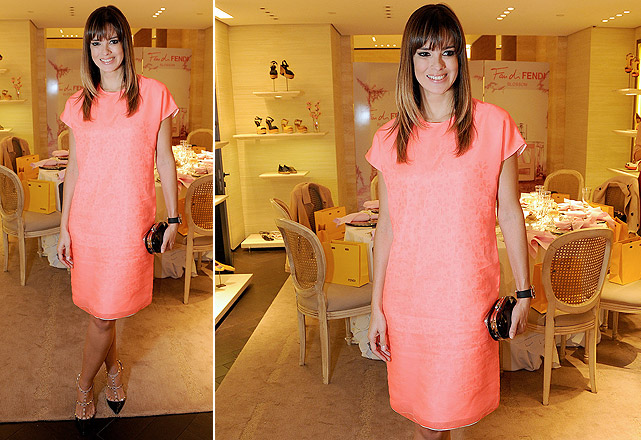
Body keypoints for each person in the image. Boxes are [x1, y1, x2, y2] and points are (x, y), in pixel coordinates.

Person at [365, 4, 532, 439]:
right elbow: (388, 227)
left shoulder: (493, 124)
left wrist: (524, 291)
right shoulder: (388, 138)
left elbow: (510, 212)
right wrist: (376, 306)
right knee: (424, 415)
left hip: (465, 300)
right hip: (408, 301)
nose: (437, 65)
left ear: (461, 57)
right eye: (424, 53)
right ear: (409, 60)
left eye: (448, 52)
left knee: (457, 408)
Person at [56, 5, 180, 434]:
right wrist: (63, 226)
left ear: (125, 43)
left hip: (129, 224)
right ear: (87, 48)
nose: (104, 51)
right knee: (101, 313)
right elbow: (74, 168)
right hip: (87, 224)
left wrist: (174, 218)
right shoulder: (78, 103)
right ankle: (101, 377)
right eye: (96, 42)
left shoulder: (153, 94)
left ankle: (90, 382)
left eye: (112, 40)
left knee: (105, 313)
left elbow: (165, 159)